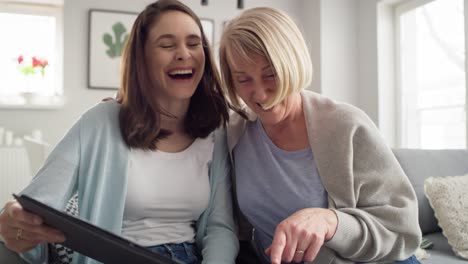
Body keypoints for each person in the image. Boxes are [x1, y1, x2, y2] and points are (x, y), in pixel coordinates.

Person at [0, 0, 239, 263]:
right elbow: (34, 206)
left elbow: (220, 227)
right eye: (167, 45)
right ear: (143, 59)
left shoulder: (215, 131)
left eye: (194, 43)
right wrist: (15, 223)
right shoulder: (100, 122)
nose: (184, 53)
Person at [219, 7, 422, 264]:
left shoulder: (346, 126)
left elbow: (402, 232)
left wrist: (331, 221)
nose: (259, 94)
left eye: (270, 74)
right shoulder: (235, 133)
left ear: (293, 61)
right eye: (243, 79)